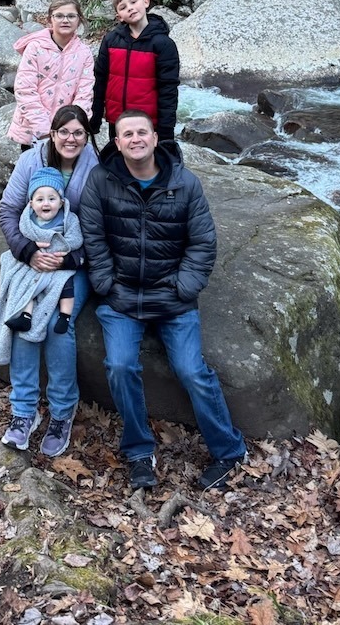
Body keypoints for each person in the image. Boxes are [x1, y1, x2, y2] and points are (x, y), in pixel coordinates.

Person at [79, 109, 247, 491]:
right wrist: (106, 283)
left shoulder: (185, 183)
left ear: (155, 139)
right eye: (127, 134)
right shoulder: (101, 180)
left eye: (142, 132)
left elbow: (203, 243)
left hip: (172, 298)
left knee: (191, 370)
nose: (136, 139)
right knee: (120, 366)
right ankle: (139, 452)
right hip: (121, 297)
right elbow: (94, 236)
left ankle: (229, 449)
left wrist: (183, 288)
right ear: (117, 143)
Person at [0, 104, 99, 456]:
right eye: (64, 132)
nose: (71, 139)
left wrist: (71, 259)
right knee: (24, 318)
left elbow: (103, 228)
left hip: (74, 262)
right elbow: (8, 209)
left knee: (56, 322)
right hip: (33, 258)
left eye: (78, 133)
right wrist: (27, 251)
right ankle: (23, 412)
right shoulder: (31, 161)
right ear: (52, 134)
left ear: (87, 137)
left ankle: (61, 411)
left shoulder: (94, 167)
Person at [0, 168, 82, 362]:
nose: (45, 203)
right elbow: (24, 234)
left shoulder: (69, 219)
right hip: (35, 260)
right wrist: (30, 250)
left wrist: (61, 250)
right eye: (40, 200)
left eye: (51, 199)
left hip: (58, 259)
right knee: (23, 282)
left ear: (62, 202)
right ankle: (25, 315)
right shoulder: (27, 219)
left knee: (65, 285)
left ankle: (64, 316)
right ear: (31, 204)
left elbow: (76, 239)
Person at [90, 0, 180, 143]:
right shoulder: (111, 40)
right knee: (117, 163)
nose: (130, 8)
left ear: (146, 2)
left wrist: (166, 132)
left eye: (133, 2)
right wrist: (96, 116)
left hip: (147, 123)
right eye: (123, 7)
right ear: (119, 17)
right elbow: (100, 80)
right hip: (117, 120)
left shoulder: (163, 44)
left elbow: (168, 89)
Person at [8, 0, 94, 148]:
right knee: (36, 169)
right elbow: (25, 89)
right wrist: (44, 129)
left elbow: (85, 93)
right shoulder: (35, 48)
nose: (65, 20)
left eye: (71, 16)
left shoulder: (84, 53)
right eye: (59, 16)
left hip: (67, 133)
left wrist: (71, 127)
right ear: (50, 20)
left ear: (79, 20)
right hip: (33, 129)